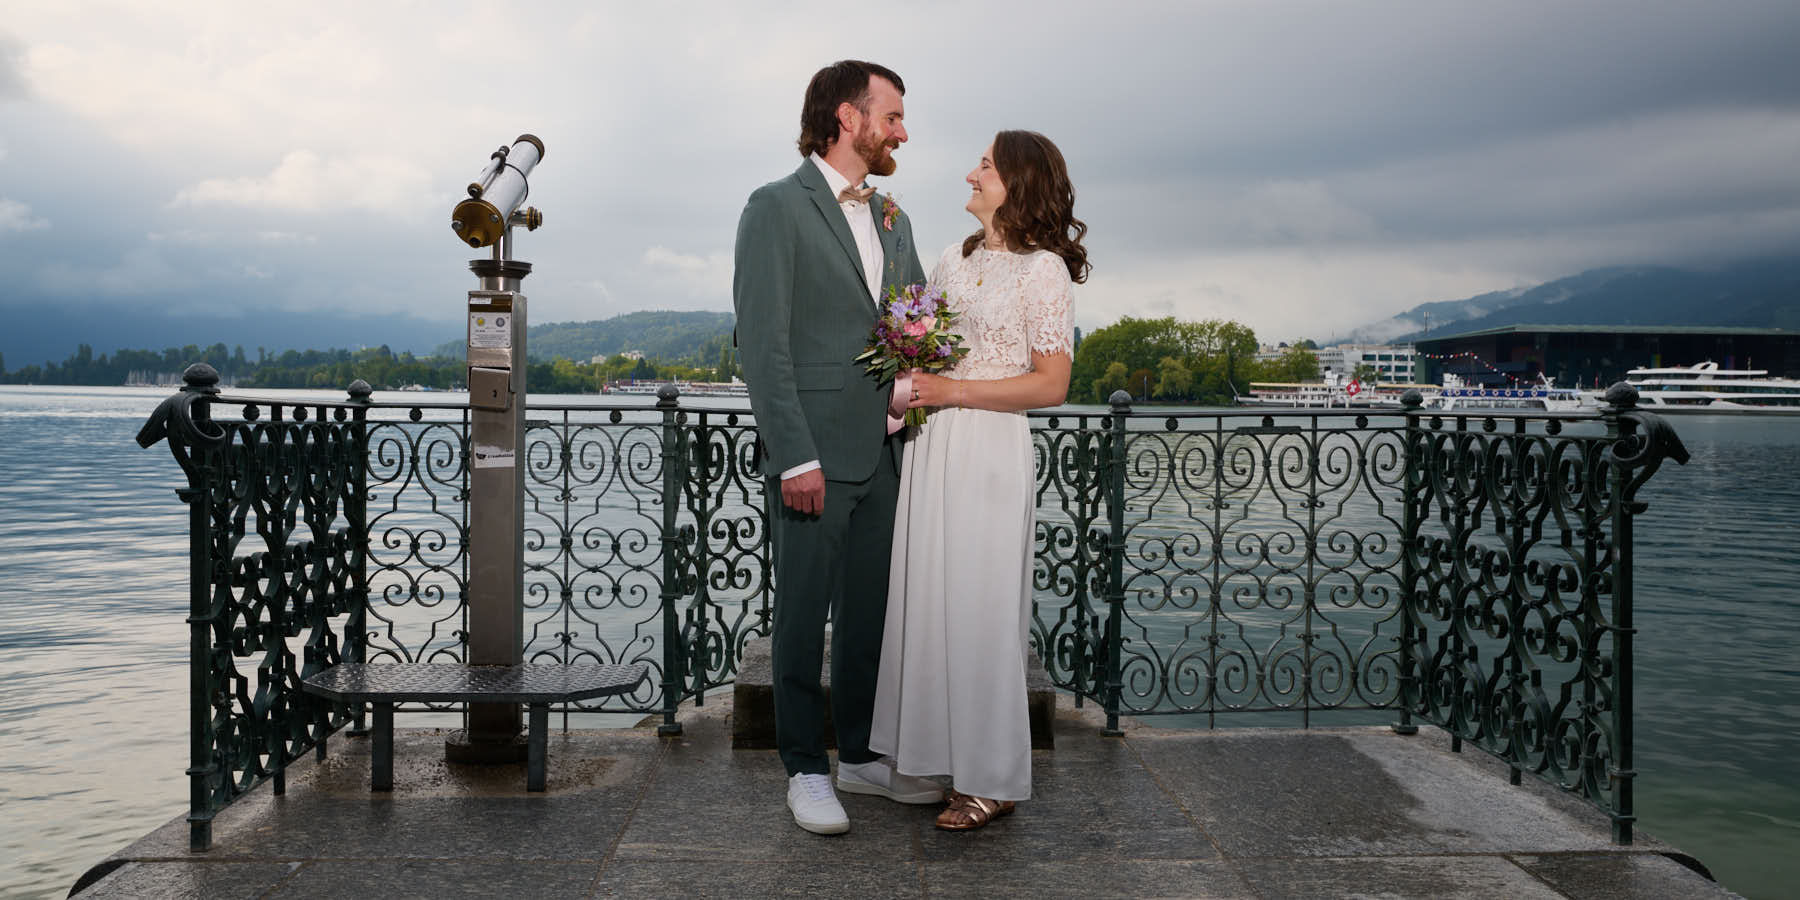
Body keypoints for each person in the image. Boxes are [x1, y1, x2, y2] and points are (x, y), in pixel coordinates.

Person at [732, 60, 945, 835]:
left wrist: (910, 387)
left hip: (885, 452)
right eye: (892, 116)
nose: (902, 131)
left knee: (870, 616)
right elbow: (764, 346)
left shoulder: (896, 218)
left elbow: (915, 320)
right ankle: (804, 767)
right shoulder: (774, 208)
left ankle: (857, 753)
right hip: (814, 458)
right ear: (849, 118)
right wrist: (794, 455)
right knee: (799, 616)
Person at [868, 130, 1087, 831]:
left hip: (990, 446)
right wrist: (906, 384)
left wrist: (953, 391)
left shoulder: (1043, 271)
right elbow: (920, 347)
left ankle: (991, 776)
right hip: (934, 446)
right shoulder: (949, 260)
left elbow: (1052, 384)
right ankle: (928, 760)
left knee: (982, 606)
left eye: (985, 165)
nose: (970, 173)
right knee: (929, 597)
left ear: (1016, 182)